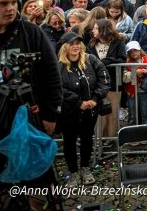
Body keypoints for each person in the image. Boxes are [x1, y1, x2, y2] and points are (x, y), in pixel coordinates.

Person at [0, 0, 63, 207]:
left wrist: (50, 116)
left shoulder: (30, 32)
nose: (10, 8)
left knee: (39, 185)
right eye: (2, 4)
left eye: (13, 2)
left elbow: (51, 75)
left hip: (28, 123)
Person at [57, 32, 109, 187]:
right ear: (65, 46)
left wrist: (95, 99)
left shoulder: (90, 59)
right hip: (69, 111)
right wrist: (78, 102)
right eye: (72, 44)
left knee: (87, 139)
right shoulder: (58, 65)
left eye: (78, 43)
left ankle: (85, 168)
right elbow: (56, 88)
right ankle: (73, 172)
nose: (76, 46)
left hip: (90, 110)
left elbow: (104, 79)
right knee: (69, 141)